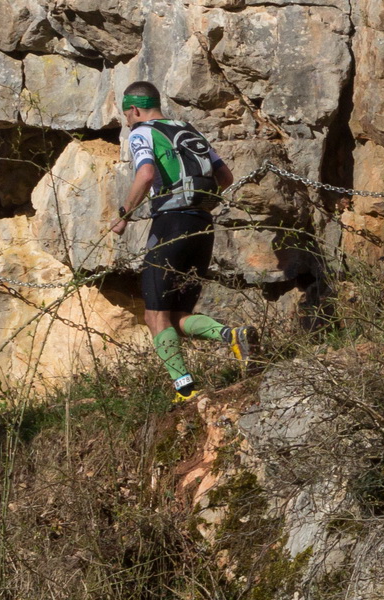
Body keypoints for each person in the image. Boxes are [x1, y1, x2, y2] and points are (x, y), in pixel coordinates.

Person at [108, 81, 254, 404]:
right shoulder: (188, 130)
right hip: (202, 225)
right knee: (175, 317)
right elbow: (226, 177)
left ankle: (185, 390)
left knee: (154, 316)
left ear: (134, 109)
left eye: (127, 115)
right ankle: (231, 335)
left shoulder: (141, 133)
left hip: (170, 226)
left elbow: (146, 174)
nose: (128, 122)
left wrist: (123, 215)